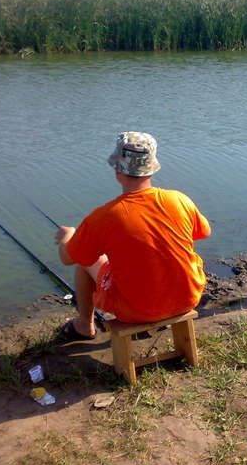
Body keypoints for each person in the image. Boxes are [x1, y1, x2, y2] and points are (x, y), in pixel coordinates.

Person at [54, 132, 211, 339]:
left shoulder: (103, 216)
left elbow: (68, 258)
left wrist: (68, 236)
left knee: (85, 261)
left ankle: (85, 326)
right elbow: (203, 232)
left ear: (118, 170)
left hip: (135, 312)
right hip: (188, 298)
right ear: (152, 168)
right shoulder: (179, 200)